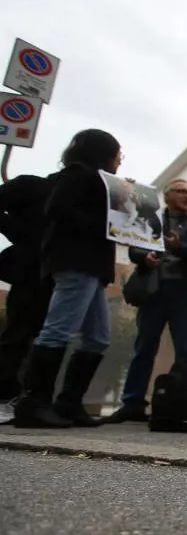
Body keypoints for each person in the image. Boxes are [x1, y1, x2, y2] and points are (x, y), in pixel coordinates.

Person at [13, 129, 122, 429]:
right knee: (58, 330)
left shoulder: (97, 182)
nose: (120, 159)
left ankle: (69, 404)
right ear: (102, 152)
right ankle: (34, 402)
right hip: (77, 262)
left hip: (93, 267)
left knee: (98, 337)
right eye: (117, 153)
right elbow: (57, 208)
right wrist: (101, 226)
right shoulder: (78, 174)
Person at [102, 179, 187, 424]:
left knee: (186, 352)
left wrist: (180, 246)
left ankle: (183, 403)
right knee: (144, 348)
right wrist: (147, 258)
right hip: (154, 292)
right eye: (181, 191)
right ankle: (132, 403)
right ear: (167, 195)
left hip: (184, 294)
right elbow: (135, 250)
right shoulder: (150, 219)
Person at [0, 173, 58, 422]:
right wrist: (24, 236)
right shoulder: (32, 186)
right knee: (18, 334)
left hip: (65, 274)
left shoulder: (95, 197)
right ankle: (4, 396)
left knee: (47, 336)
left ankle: (31, 396)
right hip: (31, 272)